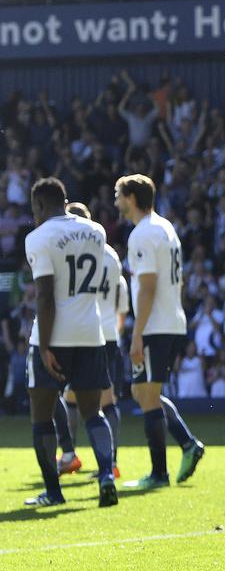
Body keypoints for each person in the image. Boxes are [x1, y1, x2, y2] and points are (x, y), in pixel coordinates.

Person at [23, 178, 117, 507]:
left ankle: (53, 492)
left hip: (55, 336)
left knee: (42, 416)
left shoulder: (38, 238)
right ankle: (107, 475)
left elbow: (46, 298)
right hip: (91, 333)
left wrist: (46, 346)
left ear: (38, 205)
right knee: (94, 413)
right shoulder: (96, 231)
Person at [115, 174, 205, 490]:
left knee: (148, 396)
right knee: (144, 393)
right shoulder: (165, 227)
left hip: (156, 326)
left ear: (131, 198)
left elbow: (148, 287)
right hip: (170, 321)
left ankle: (158, 473)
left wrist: (137, 334)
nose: (115, 201)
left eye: (119, 195)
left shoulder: (142, 234)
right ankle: (188, 443)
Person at [53, 202, 128, 481]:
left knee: (73, 398)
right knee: (100, 401)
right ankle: (108, 461)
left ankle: (73, 455)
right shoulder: (111, 254)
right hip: (109, 334)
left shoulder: (77, 250)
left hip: (85, 333)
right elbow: (119, 295)